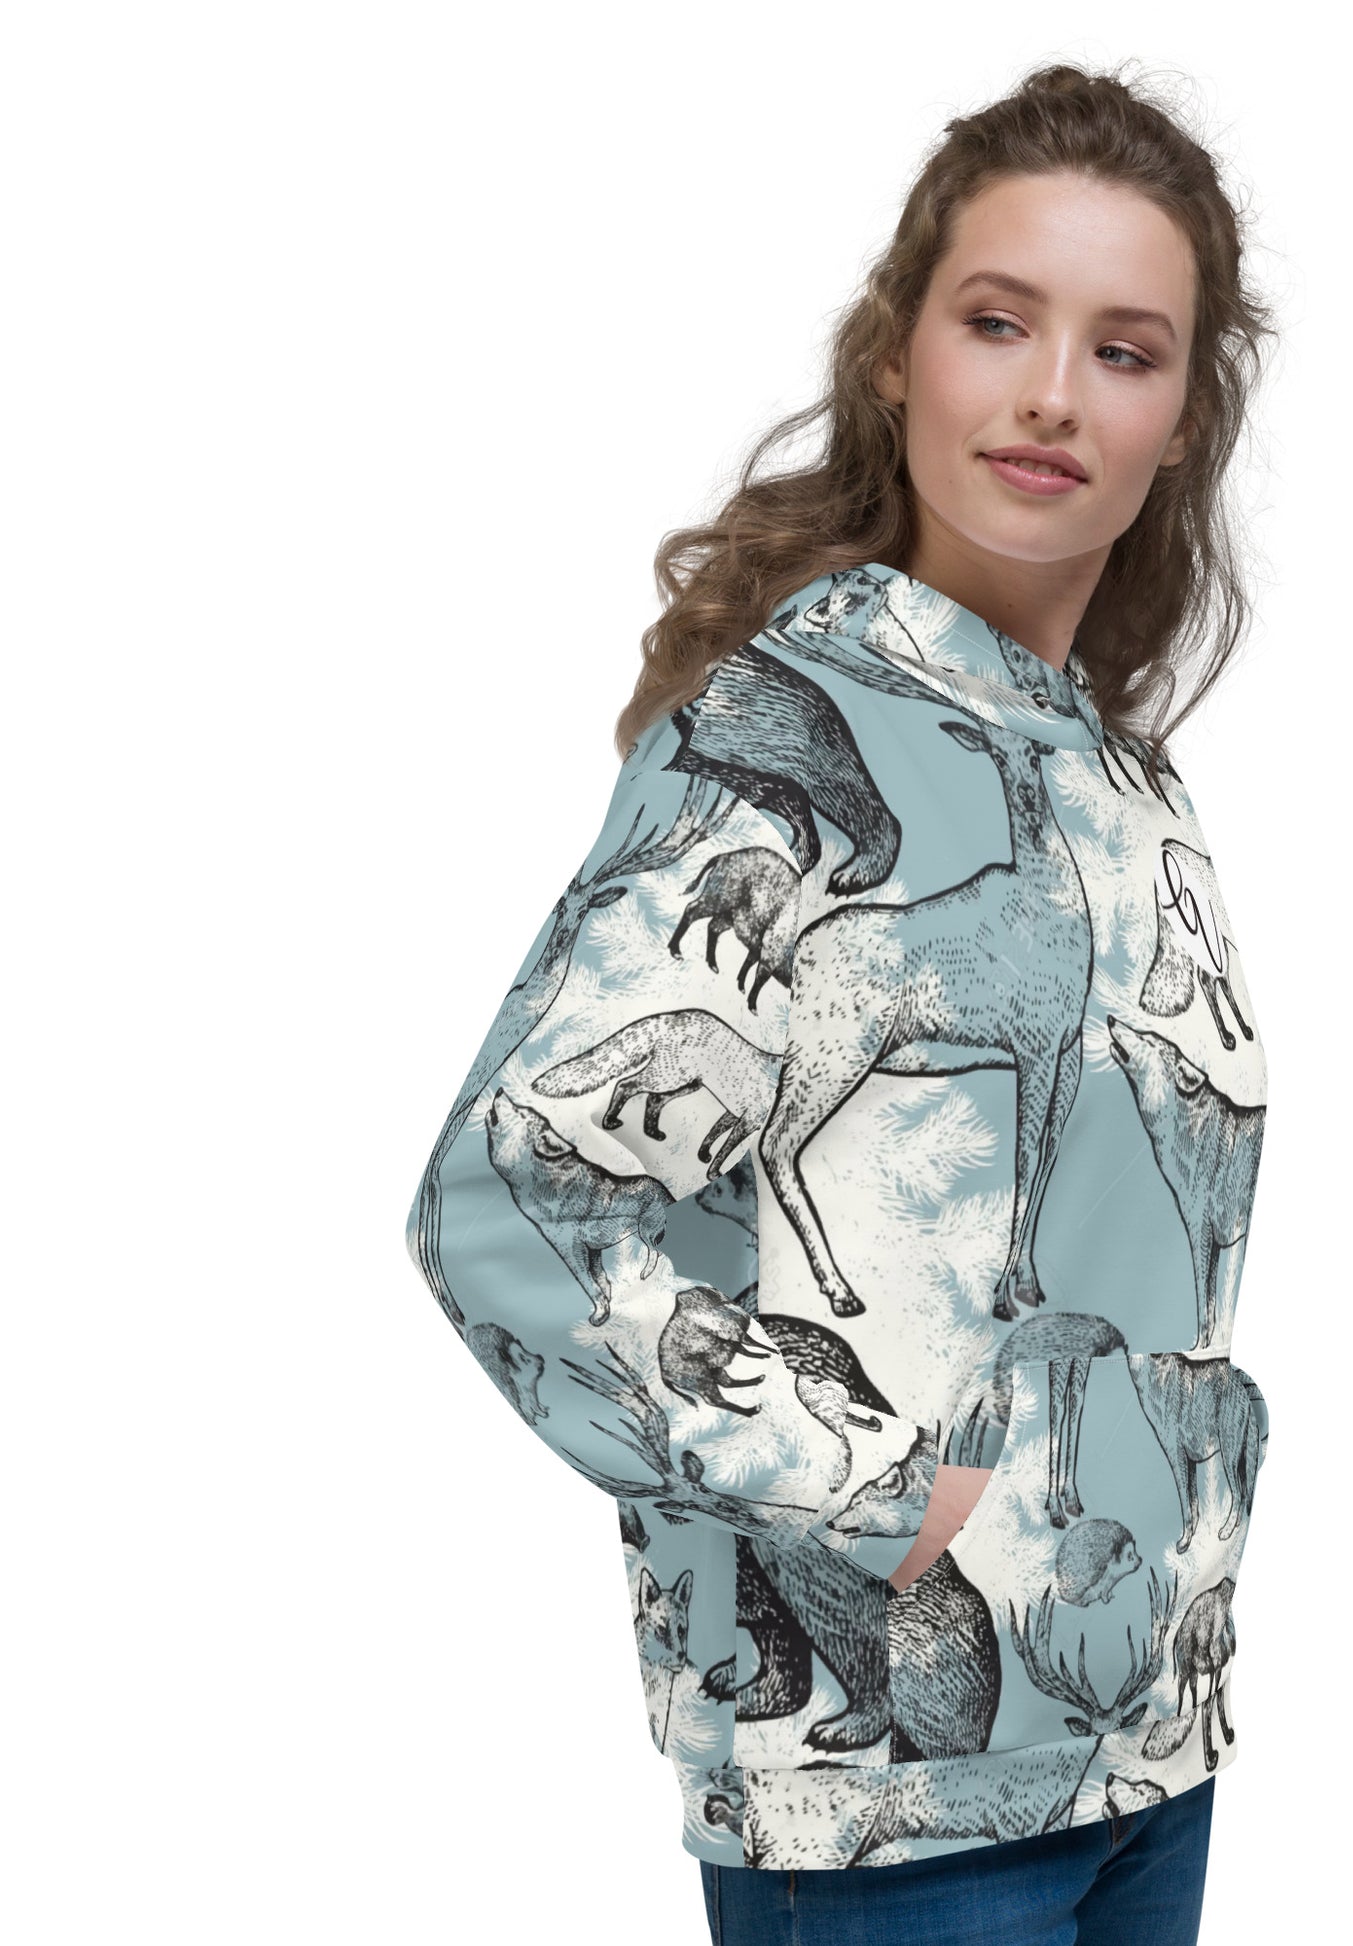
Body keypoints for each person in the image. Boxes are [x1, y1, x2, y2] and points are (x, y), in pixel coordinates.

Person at [402, 59, 1279, 1946]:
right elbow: (504, 1210)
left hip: (1141, 1743)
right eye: (998, 322)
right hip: (885, 1808)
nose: (1053, 393)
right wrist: (879, 1495)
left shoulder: (1126, 785)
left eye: (1125, 351)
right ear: (897, 356)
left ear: (1180, 423)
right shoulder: (784, 740)